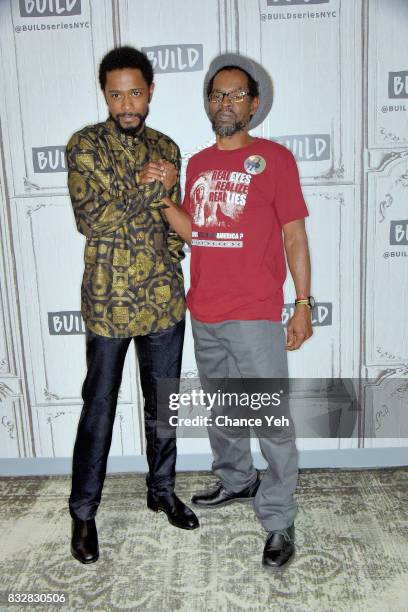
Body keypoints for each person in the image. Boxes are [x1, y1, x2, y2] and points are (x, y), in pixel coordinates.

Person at [153, 53, 313, 570]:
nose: (226, 103)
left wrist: (303, 305)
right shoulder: (198, 164)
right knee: (224, 408)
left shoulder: (275, 160)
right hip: (205, 309)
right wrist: (162, 198)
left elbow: (294, 235)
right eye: (217, 95)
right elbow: (196, 234)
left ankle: (279, 517)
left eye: (236, 95)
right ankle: (237, 479)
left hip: (255, 313)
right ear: (208, 104)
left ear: (254, 104)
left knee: (269, 417)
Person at [66, 46, 199, 565]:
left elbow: (174, 222)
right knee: (97, 409)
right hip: (107, 305)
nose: (127, 103)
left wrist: (171, 263)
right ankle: (83, 513)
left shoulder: (166, 148)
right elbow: (93, 219)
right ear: (104, 93)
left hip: (163, 303)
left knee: (162, 406)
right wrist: (153, 189)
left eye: (135, 92)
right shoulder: (85, 147)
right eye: (116, 93)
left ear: (150, 91)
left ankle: (161, 491)